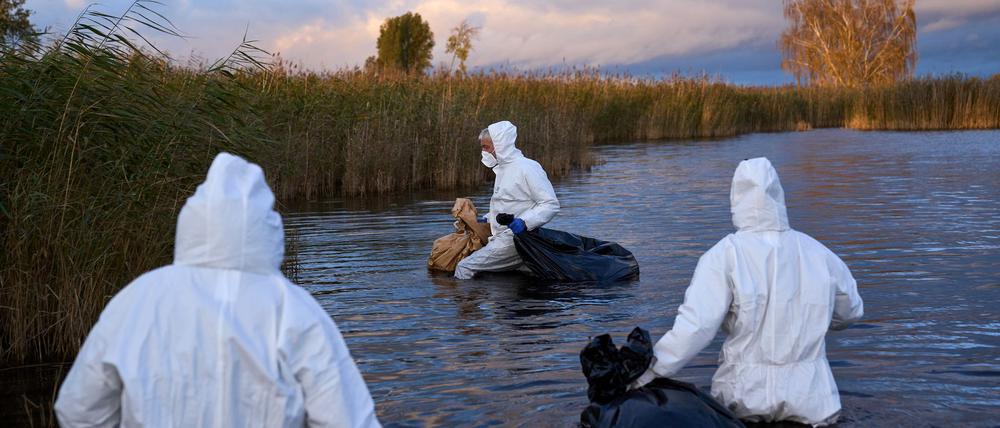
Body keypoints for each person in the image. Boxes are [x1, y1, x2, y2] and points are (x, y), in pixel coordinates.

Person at [55, 153, 380, 428]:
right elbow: (349, 419)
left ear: (193, 222)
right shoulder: (292, 308)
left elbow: (78, 409)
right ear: (266, 226)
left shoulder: (136, 300)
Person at [632, 157, 864, 426]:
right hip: (814, 400)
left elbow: (696, 327)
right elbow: (851, 312)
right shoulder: (819, 254)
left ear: (737, 199)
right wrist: (815, 318)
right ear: (779, 196)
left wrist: (646, 374)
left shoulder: (725, 255)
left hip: (745, 397)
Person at [454, 120, 560, 279]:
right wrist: (486, 219)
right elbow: (510, 204)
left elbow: (550, 204)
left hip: (515, 239)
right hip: (504, 238)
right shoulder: (502, 169)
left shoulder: (528, 168)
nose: (483, 151)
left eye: (486, 147)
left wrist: (524, 222)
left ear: (500, 144)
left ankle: (464, 301)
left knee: (464, 267)